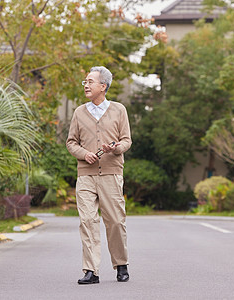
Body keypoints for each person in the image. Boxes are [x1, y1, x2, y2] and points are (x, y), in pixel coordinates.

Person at [66, 66, 132, 284]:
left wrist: (116, 148)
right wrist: (84, 154)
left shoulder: (119, 110)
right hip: (85, 175)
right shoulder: (78, 112)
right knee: (87, 220)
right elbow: (71, 143)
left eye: (90, 81)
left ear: (103, 86)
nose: (86, 85)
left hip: (112, 173)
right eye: (85, 81)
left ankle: (121, 264)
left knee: (114, 221)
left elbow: (126, 140)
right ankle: (90, 270)